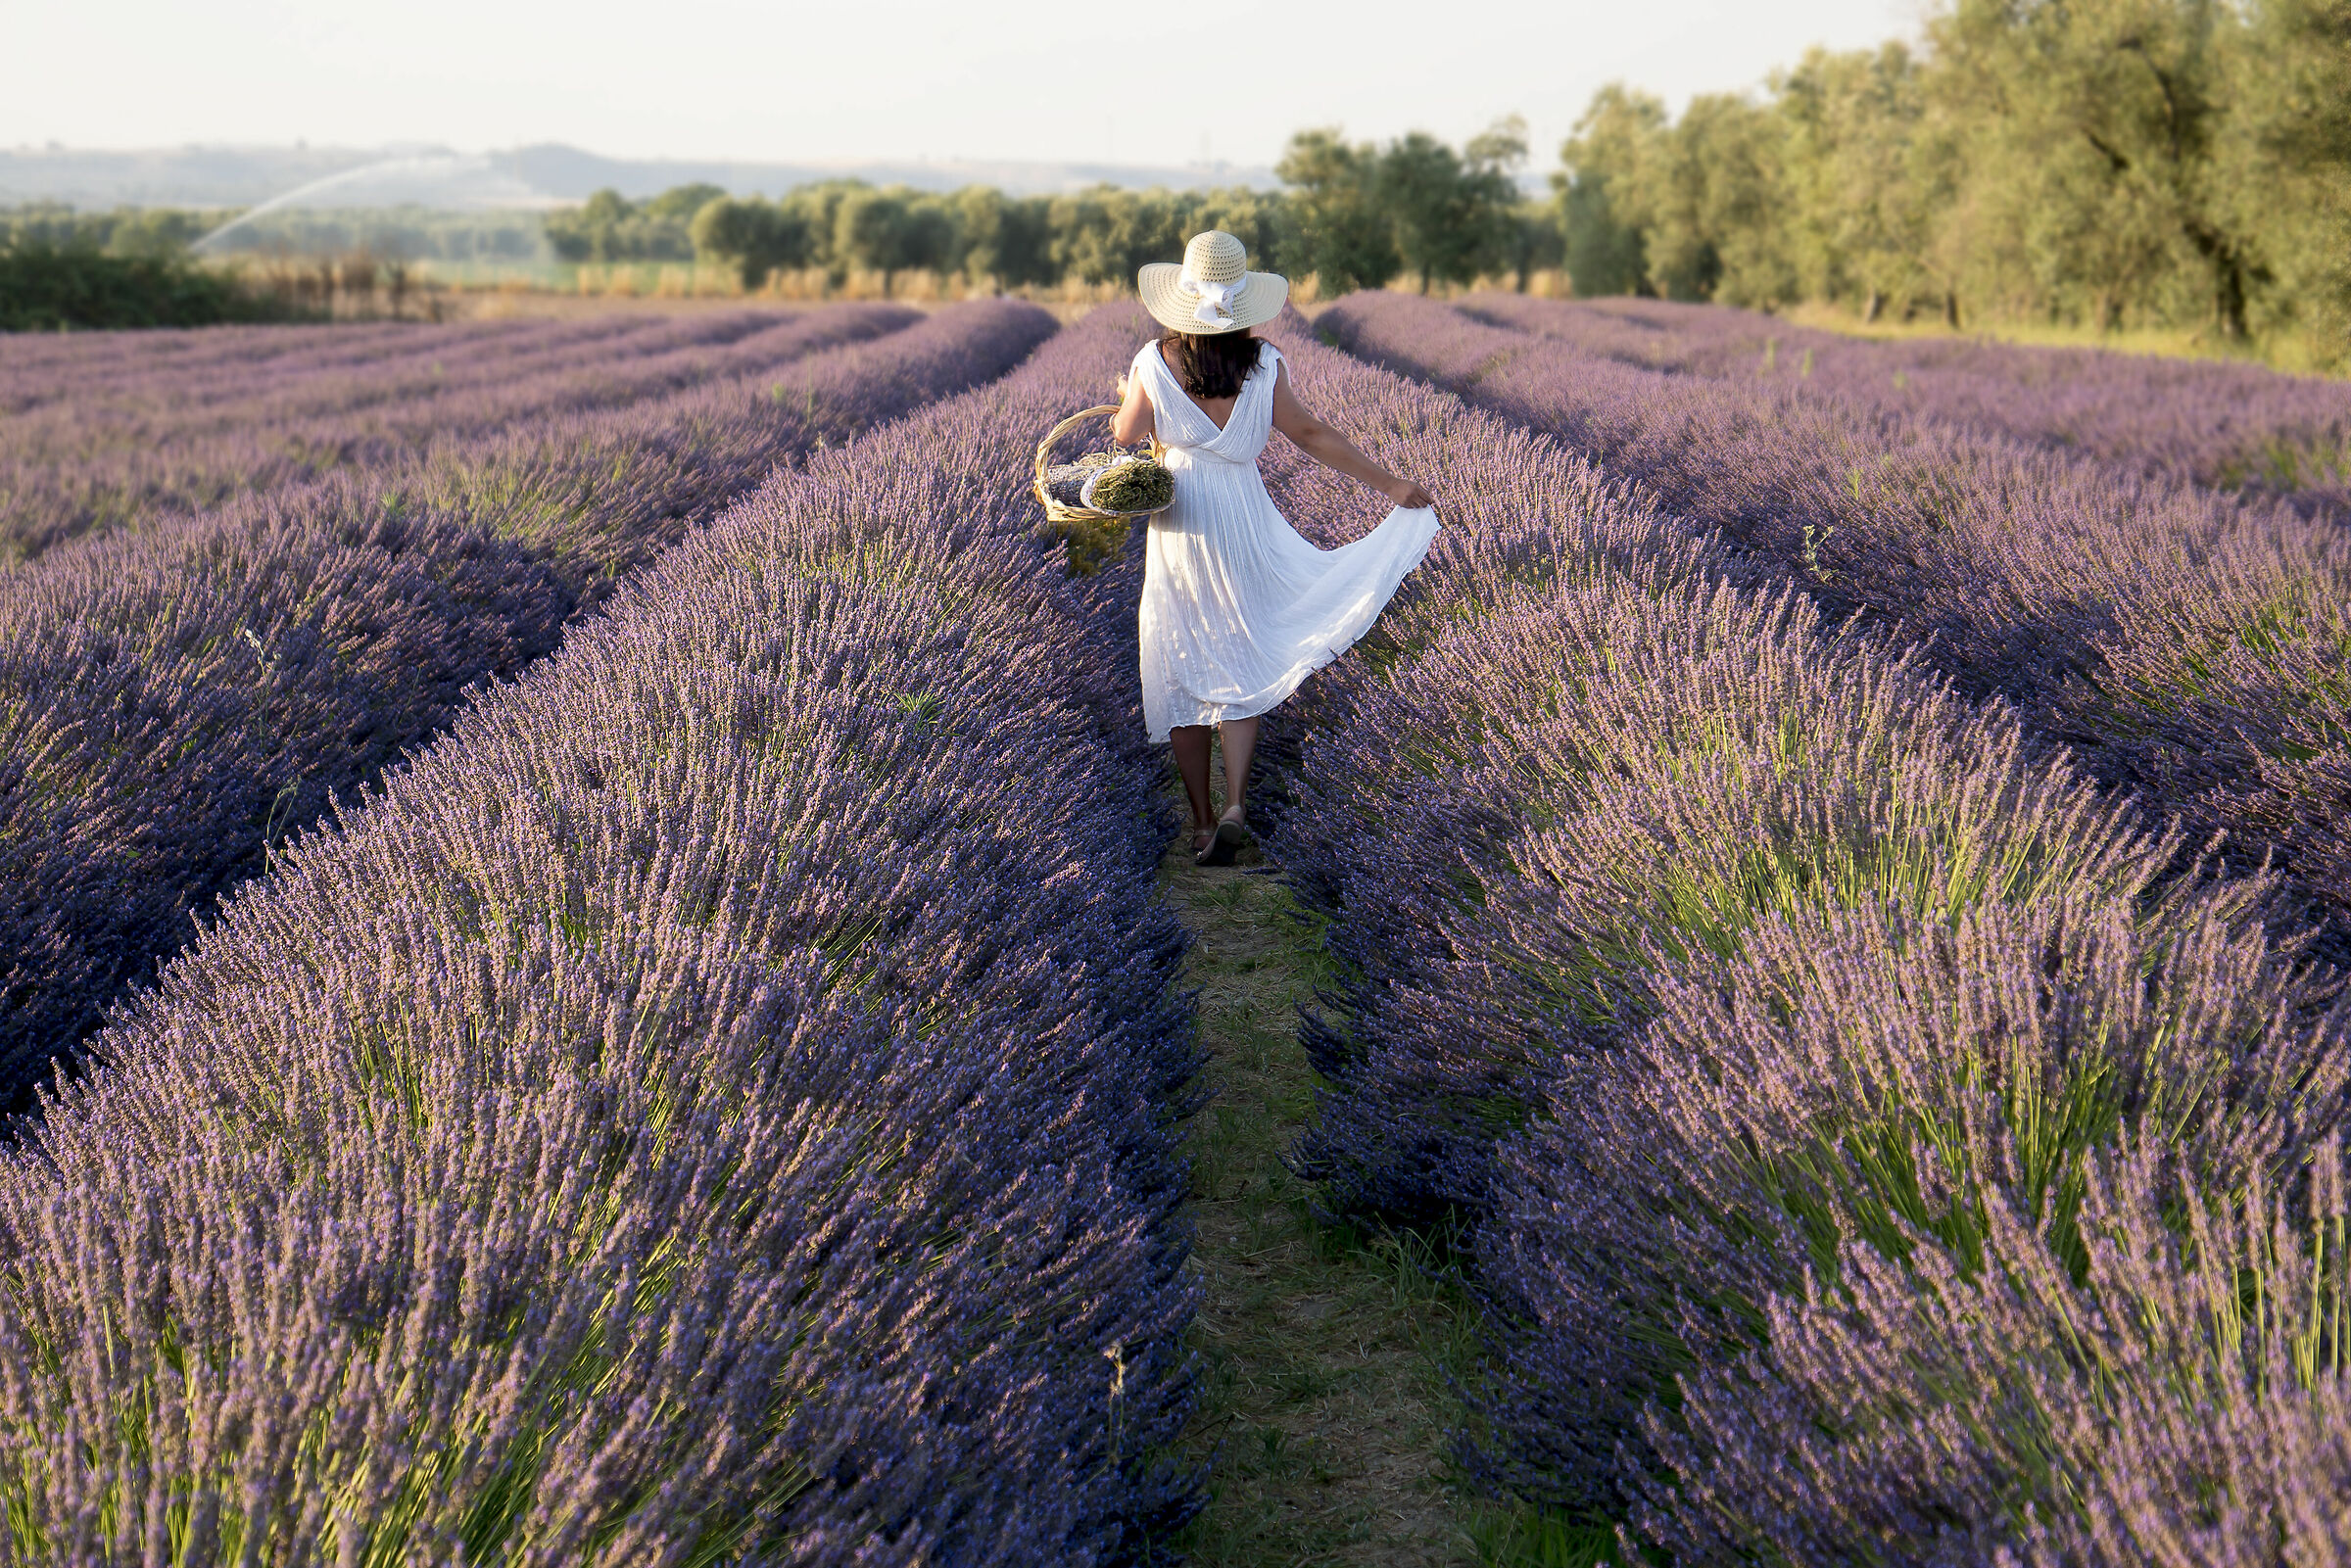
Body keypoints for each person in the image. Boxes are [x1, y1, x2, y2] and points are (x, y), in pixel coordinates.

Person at [1111, 230, 1439, 866]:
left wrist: (1130, 401)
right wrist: (1391, 483)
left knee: (1179, 660)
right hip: (1241, 516)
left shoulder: (1153, 361)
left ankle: (1202, 825)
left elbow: (1126, 435)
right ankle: (1236, 802)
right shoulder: (1263, 364)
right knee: (1238, 651)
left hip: (1181, 520)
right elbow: (1312, 434)